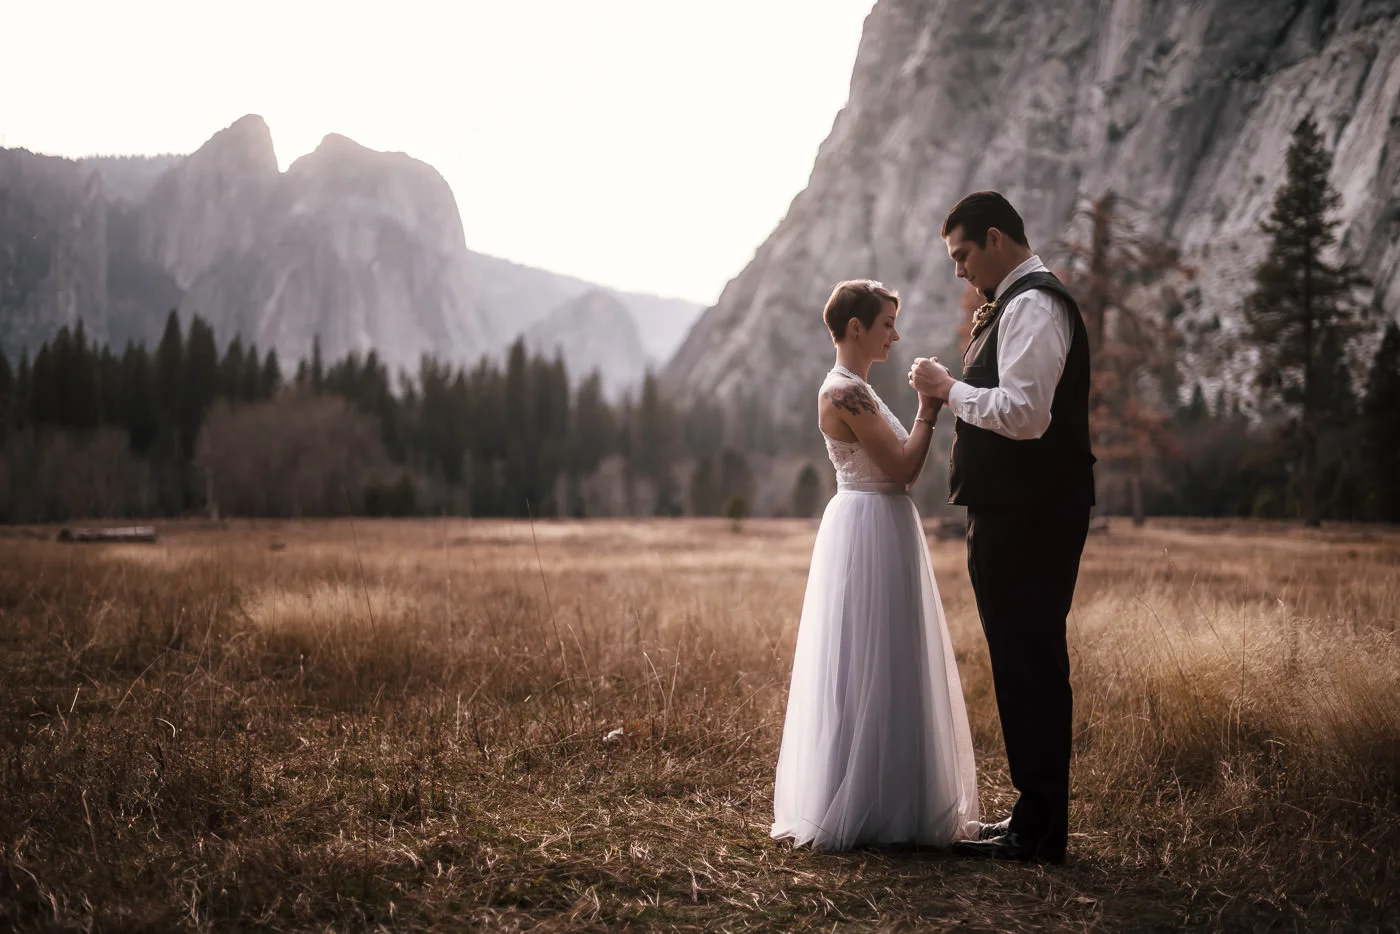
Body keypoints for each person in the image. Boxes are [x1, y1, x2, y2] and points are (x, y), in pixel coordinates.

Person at [910, 191, 1096, 863]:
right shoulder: (1014, 304)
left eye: (962, 255)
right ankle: (1032, 816)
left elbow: (1025, 414)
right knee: (1020, 662)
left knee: (1032, 663)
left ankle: (1040, 833)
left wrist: (945, 390)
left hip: (1032, 513)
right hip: (1013, 510)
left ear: (995, 239)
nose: (960, 270)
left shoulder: (1036, 305)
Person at [771, 279, 979, 850]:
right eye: (887, 323)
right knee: (869, 655)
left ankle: (888, 796)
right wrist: (930, 410)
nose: (895, 333)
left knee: (886, 655)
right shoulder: (845, 393)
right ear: (856, 328)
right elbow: (903, 469)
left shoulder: (855, 388)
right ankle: (866, 802)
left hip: (877, 523)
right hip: (869, 525)